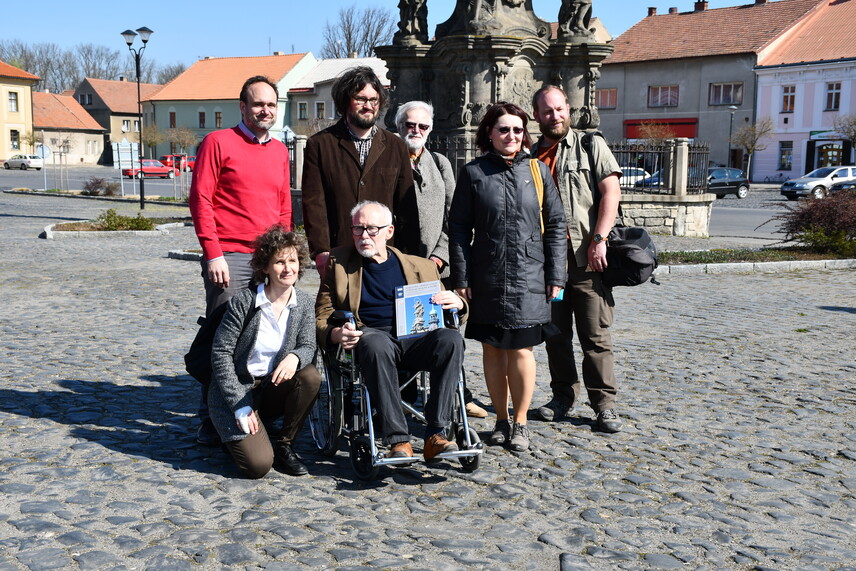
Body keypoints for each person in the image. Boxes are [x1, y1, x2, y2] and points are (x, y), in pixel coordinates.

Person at [448, 102, 567, 452]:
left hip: (530, 275)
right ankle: (500, 418)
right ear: (489, 133)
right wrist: (462, 275)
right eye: (503, 129)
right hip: (487, 275)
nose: (511, 136)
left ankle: (521, 421)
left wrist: (556, 274)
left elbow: (557, 226)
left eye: (517, 129)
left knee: (522, 351)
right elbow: (458, 229)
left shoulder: (537, 171)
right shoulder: (473, 173)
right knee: (493, 350)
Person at [316, 201, 466, 461]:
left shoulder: (421, 267)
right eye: (358, 229)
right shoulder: (339, 263)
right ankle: (398, 440)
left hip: (415, 337)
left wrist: (459, 303)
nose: (364, 236)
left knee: (451, 340)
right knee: (375, 344)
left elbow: (450, 308)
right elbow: (322, 315)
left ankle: (436, 434)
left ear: (389, 231)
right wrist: (336, 334)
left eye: (372, 229)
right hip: (373, 337)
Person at [189, 75, 293, 445]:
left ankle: (255, 409)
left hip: (269, 257)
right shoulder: (218, 142)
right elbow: (201, 199)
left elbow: (283, 205)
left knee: (267, 332)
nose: (265, 110)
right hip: (229, 256)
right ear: (243, 107)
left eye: (271, 104)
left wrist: (286, 255)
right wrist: (212, 252)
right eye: (258, 104)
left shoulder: (281, 150)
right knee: (223, 337)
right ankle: (210, 417)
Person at [530, 85, 624, 433]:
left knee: (595, 336)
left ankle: (604, 405)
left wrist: (598, 240)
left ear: (568, 109)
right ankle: (562, 397)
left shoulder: (589, 145)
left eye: (559, 109)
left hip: (585, 260)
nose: (554, 116)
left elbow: (610, 192)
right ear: (536, 115)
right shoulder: (530, 154)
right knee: (555, 335)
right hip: (547, 265)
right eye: (546, 111)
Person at [394, 100, 489, 419]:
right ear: (399, 127)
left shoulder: (440, 163)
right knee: (403, 334)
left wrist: (439, 256)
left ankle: (456, 394)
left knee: (446, 334)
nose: (415, 131)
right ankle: (403, 397)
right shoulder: (388, 161)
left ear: (430, 130)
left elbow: (455, 217)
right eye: (410, 125)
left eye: (422, 126)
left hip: (436, 266)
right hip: (397, 267)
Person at [209, 226, 320, 479]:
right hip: (238, 391)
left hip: (272, 388)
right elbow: (220, 354)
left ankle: (284, 444)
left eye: (292, 260)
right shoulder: (244, 302)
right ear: (266, 267)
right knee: (258, 466)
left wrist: (295, 357)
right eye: (279, 262)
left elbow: (308, 345)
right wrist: (239, 406)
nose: (287, 268)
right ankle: (232, 433)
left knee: (310, 376)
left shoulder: (302, 302)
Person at [301, 65, 417, 279]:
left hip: (385, 254)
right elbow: (313, 204)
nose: (368, 106)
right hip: (339, 254)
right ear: (345, 101)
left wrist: (408, 255)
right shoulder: (320, 144)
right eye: (361, 99)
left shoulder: (396, 146)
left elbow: (406, 207)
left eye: (373, 100)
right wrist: (320, 251)